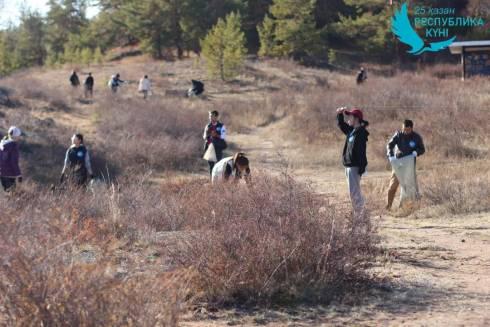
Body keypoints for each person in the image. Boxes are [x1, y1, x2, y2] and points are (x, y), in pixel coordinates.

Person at [386, 119, 425, 210]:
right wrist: (390, 155)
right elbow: (389, 145)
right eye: (403, 129)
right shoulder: (398, 135)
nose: (405, 131)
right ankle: (388, 206)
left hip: (410, 166)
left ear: (411, 128)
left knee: (410, 188)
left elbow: (422, 149)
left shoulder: (416, 137)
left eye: (407, 129)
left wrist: (416, 152)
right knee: (392, 186)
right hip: (398, 164)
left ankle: (407, 207)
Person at [336, 107, 369, 215]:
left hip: (355, 167)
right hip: (349, 166)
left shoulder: (360, 133)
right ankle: (362, 215)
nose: (348, 118)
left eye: (350, 116)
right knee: (354, 192)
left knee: (354, 193)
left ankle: (360, 217)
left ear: (356, 119)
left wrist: (362, 167)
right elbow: (342, 125)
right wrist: (340, 115)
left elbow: (361, 152)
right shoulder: (352, 131)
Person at [203, 110, 227, 175]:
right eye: (209, 116)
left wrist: (216, 135)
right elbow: (204, 136)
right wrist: (208, 135)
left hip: (218, 148)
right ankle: (212, 182)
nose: (210, 118)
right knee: (211, 166)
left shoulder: (222, 126)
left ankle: (219, 182)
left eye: (211, 116)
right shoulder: (207, 126)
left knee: (218, 165)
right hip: (209, 148)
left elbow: (223, 137)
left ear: (216, 117)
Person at [0, 126, 23, 192]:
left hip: (1, 174)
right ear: (15, 136)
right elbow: (14, 163)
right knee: (11, 196)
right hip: (10, 175)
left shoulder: (2, 143)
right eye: (18, 135)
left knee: (5, 196)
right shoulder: (13, 146)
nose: (19, 137)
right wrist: (19, 175)